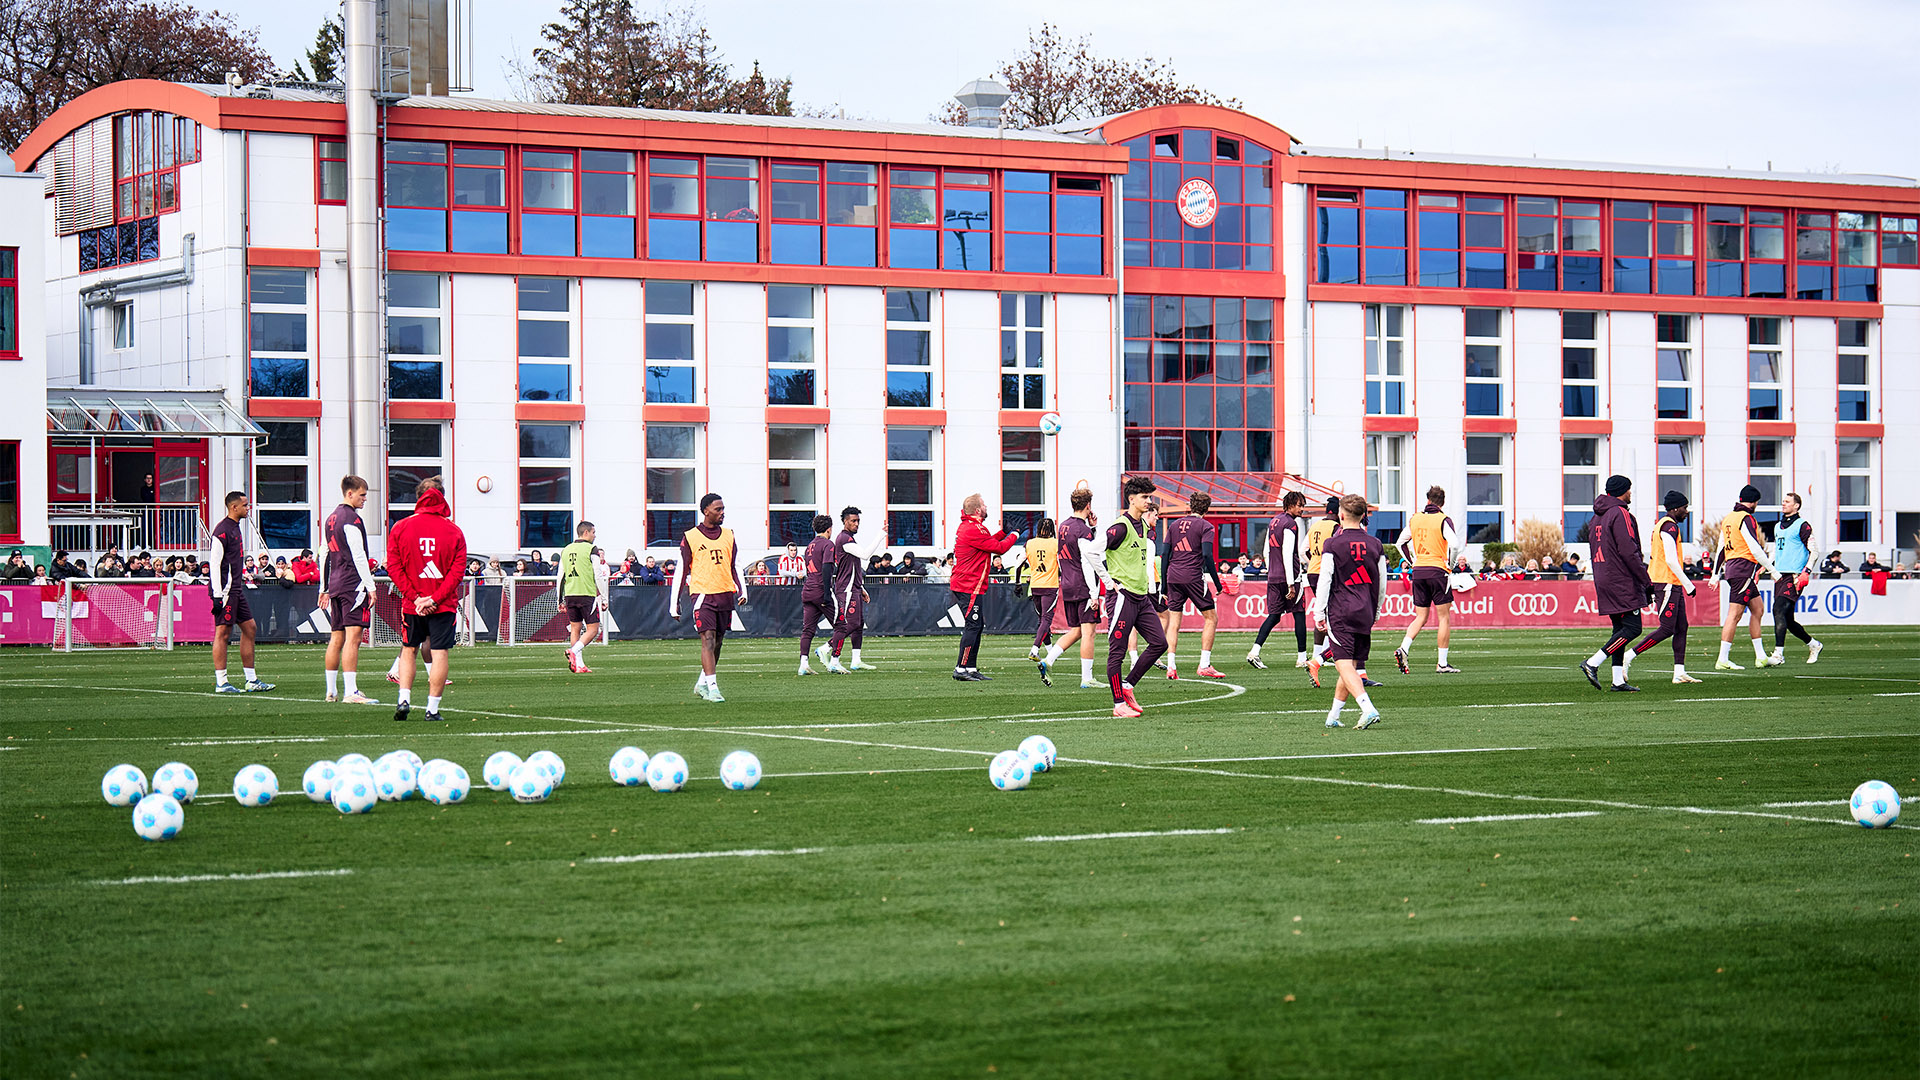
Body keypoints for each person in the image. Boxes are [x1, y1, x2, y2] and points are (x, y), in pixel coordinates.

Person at [386, 476, 467, 722]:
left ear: (419, 497)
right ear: (442, 496)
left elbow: (393, 566)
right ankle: (432, 709)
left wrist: (415, 597)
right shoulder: (453, 530)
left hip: (413, 604)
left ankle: (404, 699)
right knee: (440, 652)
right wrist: (435, 597)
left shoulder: (400, 527)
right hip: (442, 605)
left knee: (409, 649)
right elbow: (457, 571)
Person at [1314, 493, 1387, 729]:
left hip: (1341, 610)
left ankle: (1367, 708)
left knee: (1342, 663)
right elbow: (1382, 583)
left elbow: (1324, 580)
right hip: (1365, 609)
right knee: (1351, 665)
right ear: (1364, 515)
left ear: (1340, 515)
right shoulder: (1375, 544)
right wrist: (1376, 611)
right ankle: (1333, 716)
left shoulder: (1333, 544)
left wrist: (1318, 612)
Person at [670, 493, 748, 703]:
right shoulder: (691, 537)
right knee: (708, 639)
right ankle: (713, 688)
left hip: (724, 593)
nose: (722, 513)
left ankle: (702, 683)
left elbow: (735, 566)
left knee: (718, 643)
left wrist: (742, 591)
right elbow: (681, 571)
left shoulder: (729, 535)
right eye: (718, 509)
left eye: (723, 509)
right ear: (706, 511)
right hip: (703, 595)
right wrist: (674, 603)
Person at [1580, 475, 1651, 692]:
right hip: (1621, 579)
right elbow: (1629, 551)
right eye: (1629, 489)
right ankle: (1593, 662)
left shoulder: (1596, 517)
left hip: (1603, 576)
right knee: (1632, 628)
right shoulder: (1620, 513)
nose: (1631, 493)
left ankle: (1617, 680)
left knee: (1619, 629)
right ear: (1622, 490)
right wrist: (1646, 580)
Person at [1105, 477, 1168, 717]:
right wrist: (1109, 581)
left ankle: (1128, 685)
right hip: (1124, 598)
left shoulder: (1143, 525)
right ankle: (1118, 704)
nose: (1149, 501)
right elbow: (1090, 550)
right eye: (1145, 497)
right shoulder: (1120, 526)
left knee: (1160, 643)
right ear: (1131, 499)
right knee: (1117, 652)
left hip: (1141, 598)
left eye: (1149, 497)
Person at [1038, 485, 1111, 689]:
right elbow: (1088, 560)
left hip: (1068, 584)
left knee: (1076, 630)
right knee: (1089, 632)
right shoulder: (1082, 530)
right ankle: (1087, 678)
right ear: (1088, 506)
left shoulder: (1063, 526)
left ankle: (1048, 660)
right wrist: (1094, 594)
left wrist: (1093, 529)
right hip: (1083, 586)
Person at [1631, 491, 1701, 684]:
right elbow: (1670, 559)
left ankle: (1679, 672)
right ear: (1676, 508)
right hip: (1667, 582)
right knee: (1667, 628)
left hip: (1670, 582)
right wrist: (1689, 584)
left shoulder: (1664, 525)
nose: (1687, 512)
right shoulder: (1669, 527)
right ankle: (1628, 656)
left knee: (1681, 627)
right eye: (1685, 508)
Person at [320, 475, 380, 704]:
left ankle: (331, 691)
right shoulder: (351, 519)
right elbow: (359, 555)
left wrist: (323, 587)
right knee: (353, 638)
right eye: (362, 495)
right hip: (352, 584)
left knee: (336, 637)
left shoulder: (330, 519)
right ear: (350, 493)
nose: (365, 499)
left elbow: (324, 553)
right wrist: (370, 586)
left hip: (335, 583)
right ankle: (351, 692)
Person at [208, 491, 273, 694]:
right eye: (245, 505)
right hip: (226, 591)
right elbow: (215, 563)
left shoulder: (235, 528)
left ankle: (251, 680)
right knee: (223, 633)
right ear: (234, 507)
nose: (248, 508)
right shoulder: (222, 531)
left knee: (250, 628)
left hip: (236, 588)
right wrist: (218, 595)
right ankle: (221, 682)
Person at [950, 493, 1019, 681]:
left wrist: (1004, 533)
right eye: (984, 505)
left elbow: (989, 543)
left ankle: (970, 667)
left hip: (970, 584)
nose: (987, 507)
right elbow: (999, 548)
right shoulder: (972, 528)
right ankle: (961, 668)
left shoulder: (974, 527)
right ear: (978, 510)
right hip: (968, 584)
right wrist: (1015, 534)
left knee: (977, 625)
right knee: (973, 625)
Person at [1395, 486, 1462, 675]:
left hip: (1419, 570)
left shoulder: (1415, 518)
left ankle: (1404, 648)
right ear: (1442, 502)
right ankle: (1442, 663)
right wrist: (1451, 563)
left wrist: (1412, 562)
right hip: (1437, 571)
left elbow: (1400, 543)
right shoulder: (1443, 519)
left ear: (1428, 500)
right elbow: (1455, 544)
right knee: (1444, 617)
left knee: (1421, 616)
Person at [1712, 484, 1780, 670]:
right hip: (1743, 570)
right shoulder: (1746, 518)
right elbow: (1754, 547)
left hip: (1736, 569)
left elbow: (1720, 548)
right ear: (1754, 502)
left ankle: (1761, 657)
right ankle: (1722, 659)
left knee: (1758, 609)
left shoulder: (1729, 518)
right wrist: (1772, 570)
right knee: (1734, 615)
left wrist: (1715, 574)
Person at [1159, 493, 1226, 680]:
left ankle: (1171, 666)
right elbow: (1206, 554)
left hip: (1173, 576)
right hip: (1193, 576)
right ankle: (1204, 664)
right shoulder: (1206, 526)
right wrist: (1217, 582)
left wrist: (1163, 585)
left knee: (1174, 621)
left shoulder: (1174, 525)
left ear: (1190, 506)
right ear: (1207, 509)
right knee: (1211, 618)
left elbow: (1165, 554)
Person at [1249, 491, 1310, 670]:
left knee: (1274, 616)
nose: (1302, 508)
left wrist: (1271, 570)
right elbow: (1287, 552)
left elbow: (1266, 549)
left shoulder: (1273, 521)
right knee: (1299, 614)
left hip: (1274, 575)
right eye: (1299, 505)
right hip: (1289, 576)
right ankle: (1302, 658)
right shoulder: (1290, 524)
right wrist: (1291, 583)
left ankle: (1254, 652)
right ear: (1290, 504)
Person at [823, 506, 885, 673]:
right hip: (847, 589)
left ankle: (856, 660)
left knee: (858, 625)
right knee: (851, 623)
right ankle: (827, 648)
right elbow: (865, 555)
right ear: (845, 522)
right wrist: (880, 536)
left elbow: (853, 567)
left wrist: (861, 587)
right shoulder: (844, 538)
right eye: (853, 521)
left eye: (858, 521)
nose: (857, 524)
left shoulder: (848, 538)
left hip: (853, 587)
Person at [1769, 492, 1823, 665]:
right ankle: (1814, 644)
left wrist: (1806, 571)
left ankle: (1778, 654)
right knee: (1788, 620)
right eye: (1783, 501)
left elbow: (1814, 551)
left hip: (1794, 576)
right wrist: (1763, 566)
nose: (1783, 504)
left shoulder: (1803, 525)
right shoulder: (1778, 526)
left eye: (1787, 501)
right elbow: (1777, 551)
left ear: (1796, 505)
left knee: (1778, 609)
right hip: (1780, 576)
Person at [1302, 497, 1343, 687]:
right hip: (1326, 573)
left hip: (1312, 572)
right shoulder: (1335, 527)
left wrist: (1313, 560)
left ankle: (1318, 652)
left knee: (1323, 612)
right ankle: (1323, 655)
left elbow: (1303, 550)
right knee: (1332, 614)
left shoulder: (1315, 525)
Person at [559, 520, 607, 674]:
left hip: (570, 593)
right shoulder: (591, 549)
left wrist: (559, 599)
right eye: (593, 532)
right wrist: (604, 597)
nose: (595, 535)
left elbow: (560, 576)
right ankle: (574, 651)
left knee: (576, 628)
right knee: (593, 629)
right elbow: (597, 574)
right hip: (586, 593)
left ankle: (579, 665)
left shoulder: (566, 549)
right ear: (585, 533)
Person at [797, 515, 838, 676]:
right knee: (844, 626)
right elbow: (827, 568)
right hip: (820, 589)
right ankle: (832, 658)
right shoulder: (828, 544)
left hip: (808, 590)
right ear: (829, 529)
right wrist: (827, 593)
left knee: (808, 630)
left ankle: (803, 664)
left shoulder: (810, 545)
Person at [1022, 518, 1061, 663]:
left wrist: (1018, 583)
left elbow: (1020, 562)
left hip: (1035, 585)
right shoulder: (1056, 543)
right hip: (1050, 585)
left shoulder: (1030, 543)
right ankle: (1035, 649)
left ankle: (1050, 652)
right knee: (1046, 619)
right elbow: (1061, 564)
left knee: (1041, 620)